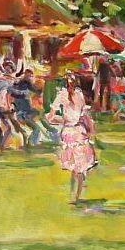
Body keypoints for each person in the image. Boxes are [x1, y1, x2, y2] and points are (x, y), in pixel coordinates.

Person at [47, 71, 98, 203]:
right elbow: (84, 115)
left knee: (75, 166)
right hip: (78, 130)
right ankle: (76, 195)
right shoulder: (78, 94)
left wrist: (61, 120)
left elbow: (51, 117)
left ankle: (73, 195)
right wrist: (90, 128)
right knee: (80, 165)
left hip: (69, 131)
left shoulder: (62, 94)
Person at [9, 69, 57, 146]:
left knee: (40, 114)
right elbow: (34, 90)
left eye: (31, 76)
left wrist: (44, 83)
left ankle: (52, 132)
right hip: (22, 114)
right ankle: (32, 143)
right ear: (26, 75)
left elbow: (36, 90)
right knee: (36, 128)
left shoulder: (25, 85)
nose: (31, 78)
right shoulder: (21, 87)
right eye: (29, 76)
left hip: (27, 112)